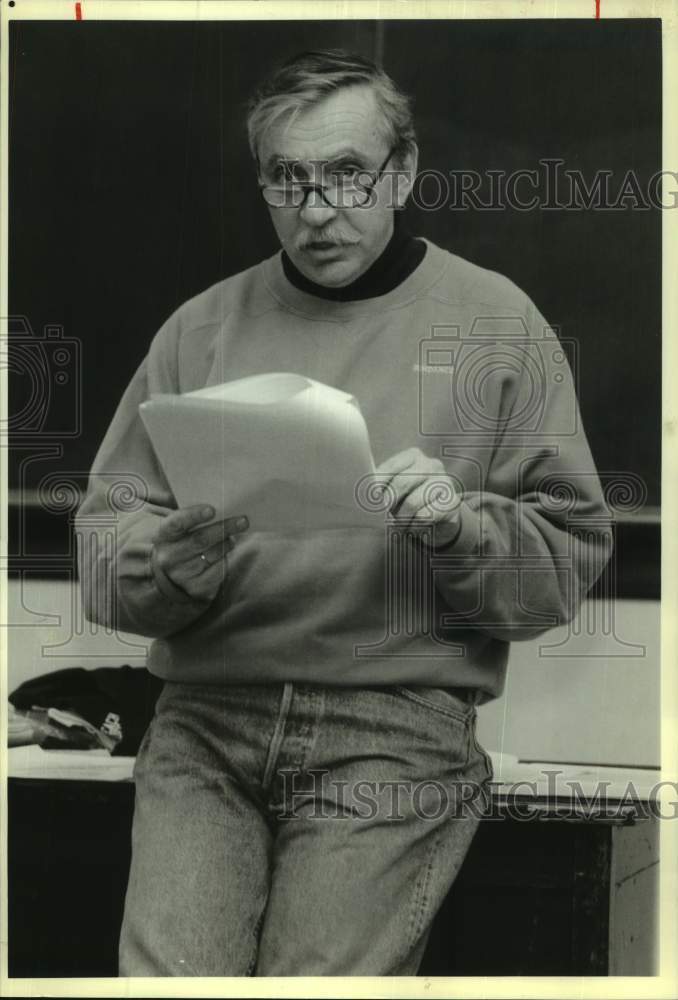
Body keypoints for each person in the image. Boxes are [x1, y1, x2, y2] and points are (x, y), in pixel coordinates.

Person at [76, 49, 613, 976]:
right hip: (206, 720)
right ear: (263, 182)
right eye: (288, 177)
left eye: (348, 174)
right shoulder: (198, 329)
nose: (317, 209)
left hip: (394, 732)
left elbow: (563, 565)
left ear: (402, 173)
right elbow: (101, 540)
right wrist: (162, 567)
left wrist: (460, 527)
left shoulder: (498, 324)